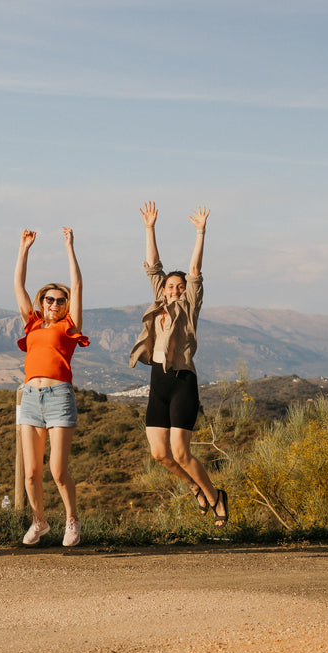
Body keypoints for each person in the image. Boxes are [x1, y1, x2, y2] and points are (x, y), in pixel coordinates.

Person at [129, 201, 228, 527]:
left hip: (183, 381)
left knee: (182, 452)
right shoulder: (160, 299)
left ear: (186, 291)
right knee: (160, 454)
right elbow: (154, 267)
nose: (173, 289)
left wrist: (200, 232)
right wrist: (149, 228)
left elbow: (195, 271)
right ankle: (194, 488)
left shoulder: (189, 305)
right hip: (158, 382)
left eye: (179, 286)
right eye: (170, 286)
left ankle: (215, 496)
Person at [14, 227, 89, 546]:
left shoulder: (69, 326)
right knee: (31, 474)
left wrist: (70, 247)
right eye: (49, 299)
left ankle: (72, 520)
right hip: (29, 397)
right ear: (42, 301)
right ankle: (39, 522)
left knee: (58, 471)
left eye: (60, 300)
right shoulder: (31, 322)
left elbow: (78, 284)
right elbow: (18, 284)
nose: (55, 303)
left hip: (59, 397)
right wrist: (24, 249)